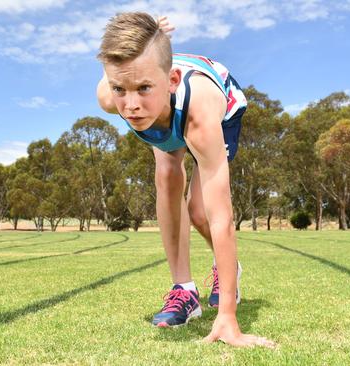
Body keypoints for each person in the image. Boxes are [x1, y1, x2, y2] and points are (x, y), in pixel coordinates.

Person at [96, 12, 275, 348]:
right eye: (120, 88)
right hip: (166, 109)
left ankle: (228, 271)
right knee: (166, 174)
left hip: (219, 106)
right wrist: (150, 36)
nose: (131, 105)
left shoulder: (200, 110)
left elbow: (223, 216)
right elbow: (124, 81)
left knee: (199, 211)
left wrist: (228, 320)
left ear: (172, 80)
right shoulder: (112, 98)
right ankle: (184, 291)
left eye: (143, 88)